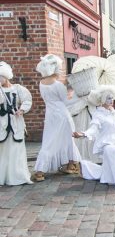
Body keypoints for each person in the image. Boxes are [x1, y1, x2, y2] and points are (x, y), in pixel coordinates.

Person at [73, 85, 115, 190]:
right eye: (108, 98)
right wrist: (83, 134)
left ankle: (85, 167)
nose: (111, 100)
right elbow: (93, 128)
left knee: (108, 171)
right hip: (105, 144)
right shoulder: (98, 114)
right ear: (102, 99)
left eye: (112, 97)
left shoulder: (114, 113)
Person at [33, 54, 81, 182]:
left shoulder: (41, 84)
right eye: (59, 68)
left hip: (50, 115)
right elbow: (66, 102)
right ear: (55, 69)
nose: (60, 70)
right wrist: (77, 96)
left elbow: (51, 100)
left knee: (49, 141)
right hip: (62, 115)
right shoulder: (58, 85)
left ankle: (40, 170)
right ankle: (71, 163)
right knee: (68, 139)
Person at [0, 62, 33, 186]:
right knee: (3, 150)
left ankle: (18, 176)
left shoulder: (18, 88)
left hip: (16, 122)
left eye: (0, 77)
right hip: (2, 123)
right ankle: (3, 176)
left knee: (16, 149)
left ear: (6, 76)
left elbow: (27, 100)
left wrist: (22, 110)